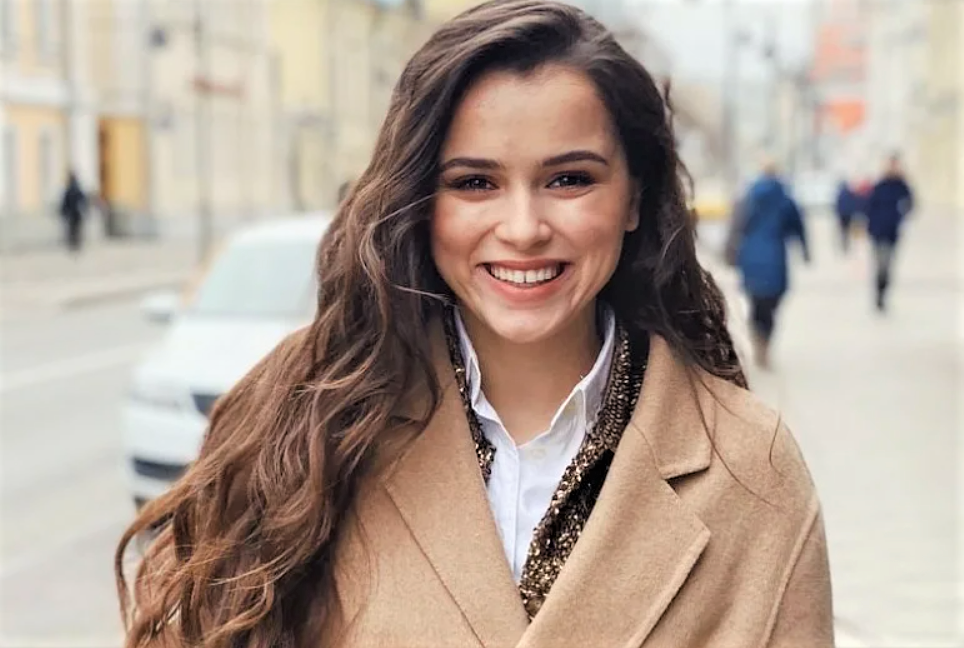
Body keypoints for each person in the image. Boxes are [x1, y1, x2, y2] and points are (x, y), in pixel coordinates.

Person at [115, 2, 833, 646]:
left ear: (634, 200)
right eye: (474, 183)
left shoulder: (749, 464)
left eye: (569, 179)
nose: (523, 228)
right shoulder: (301, 418)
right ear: (419, 202)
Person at [733, 159, 809, 370]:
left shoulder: (748, 197)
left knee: (756, 300)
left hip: (750, 255)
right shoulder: (785, 198)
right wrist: (805, 251)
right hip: (776, 256)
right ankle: (764, 340)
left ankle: (758, 336)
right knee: (772, 302)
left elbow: (737, 226)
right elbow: (798, 227)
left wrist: (730, 252)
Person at [864, 153, 914, 312]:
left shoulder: (901, 185)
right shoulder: (880, 185)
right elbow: (869, 207)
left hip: (892, 232)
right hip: (877, 232)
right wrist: (868, 226)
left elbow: (911, 203)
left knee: (888, 265)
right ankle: (878, 295)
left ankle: (883, 294)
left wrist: (901, 216)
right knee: (881, 264)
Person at [58, 170, 88, 253]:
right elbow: (83, 200)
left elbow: (65, 202)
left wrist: (63, 212)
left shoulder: (69, 189)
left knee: (72, 229)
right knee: (76, 229)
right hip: (77, 214)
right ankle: (76, 244)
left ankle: (73, 244)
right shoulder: (78, 188)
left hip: (72, 213)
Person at [834, 177, 863, 253]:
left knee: (844, 230)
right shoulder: (850, 193)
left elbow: (838, 205)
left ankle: (846, 243)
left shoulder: (841, 194)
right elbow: (854, 203)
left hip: (843, 215)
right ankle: (847, 243)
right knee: (847, 230)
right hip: (847, 214)